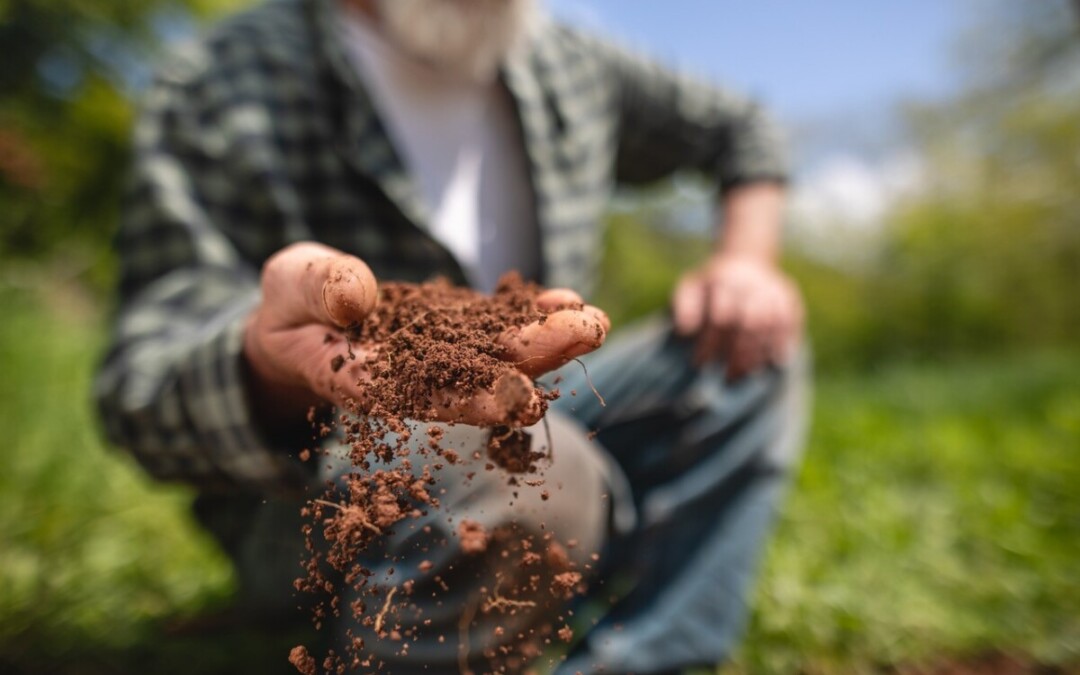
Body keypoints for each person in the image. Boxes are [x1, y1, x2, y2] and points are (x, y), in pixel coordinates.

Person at [94, 0, 808, 672]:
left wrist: (745, 262)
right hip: (322, 477)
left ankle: (645, 653)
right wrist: (271, 362)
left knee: (745, 349)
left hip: (547, 410)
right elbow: (139, 386)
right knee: (533, 479)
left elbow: (742, 125)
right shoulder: (226, 80)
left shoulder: (562, 57)